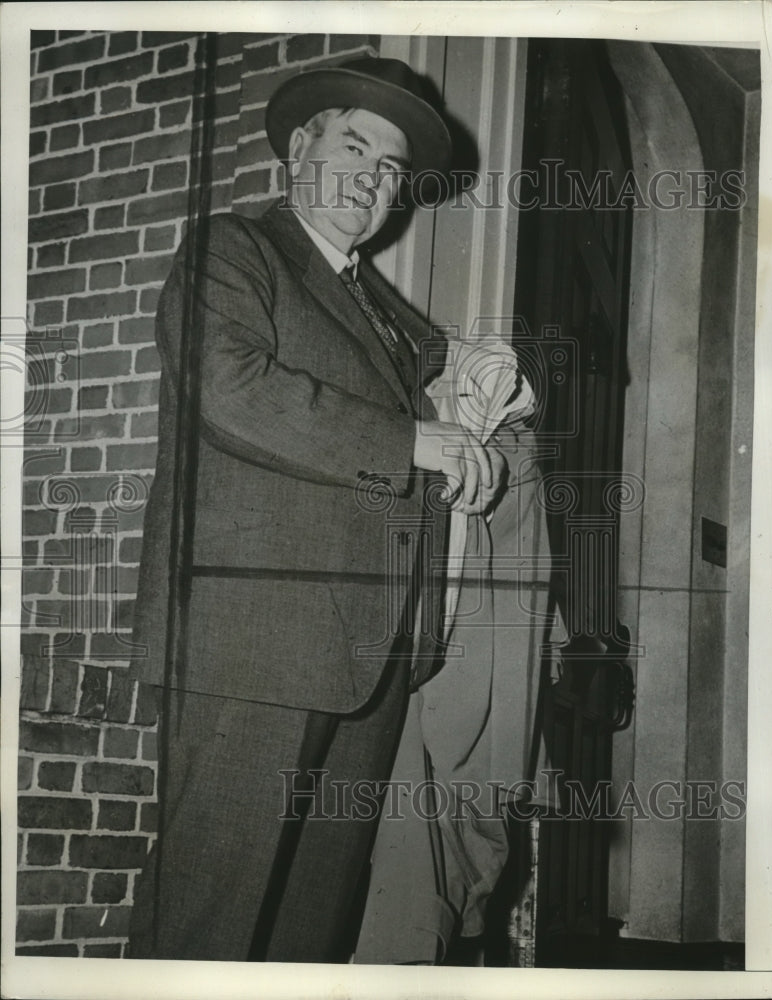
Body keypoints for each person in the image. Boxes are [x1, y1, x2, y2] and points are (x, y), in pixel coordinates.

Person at [127, 57, 506, 963]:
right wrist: (409, 442)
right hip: (251, 638)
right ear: (301, 147)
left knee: (310, 928)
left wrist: (478, 419)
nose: (368, 180)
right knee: (208, 918)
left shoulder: (393, 320)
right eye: (352, 147)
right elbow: (228, 389)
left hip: (365, 654)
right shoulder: (234, 247)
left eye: (388, 171)